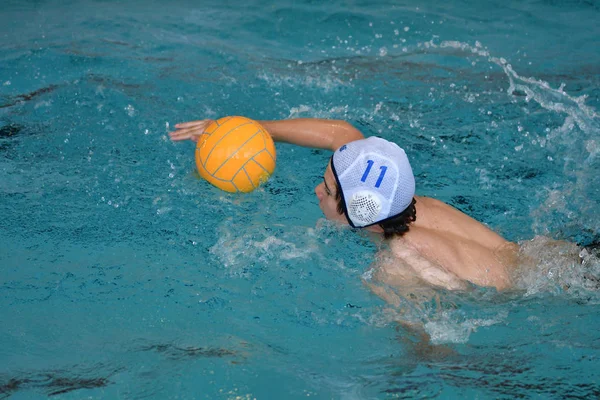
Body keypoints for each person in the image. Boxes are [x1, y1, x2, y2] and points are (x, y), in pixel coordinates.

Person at [169, 118, 588, 293]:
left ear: (363, 219)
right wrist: (255, 129)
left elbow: (441, 326)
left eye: (330, 191)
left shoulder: (398, 261)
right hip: (563, 256)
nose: (317, 190)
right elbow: (341, 133)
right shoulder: (404, 198)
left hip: (557, 292)